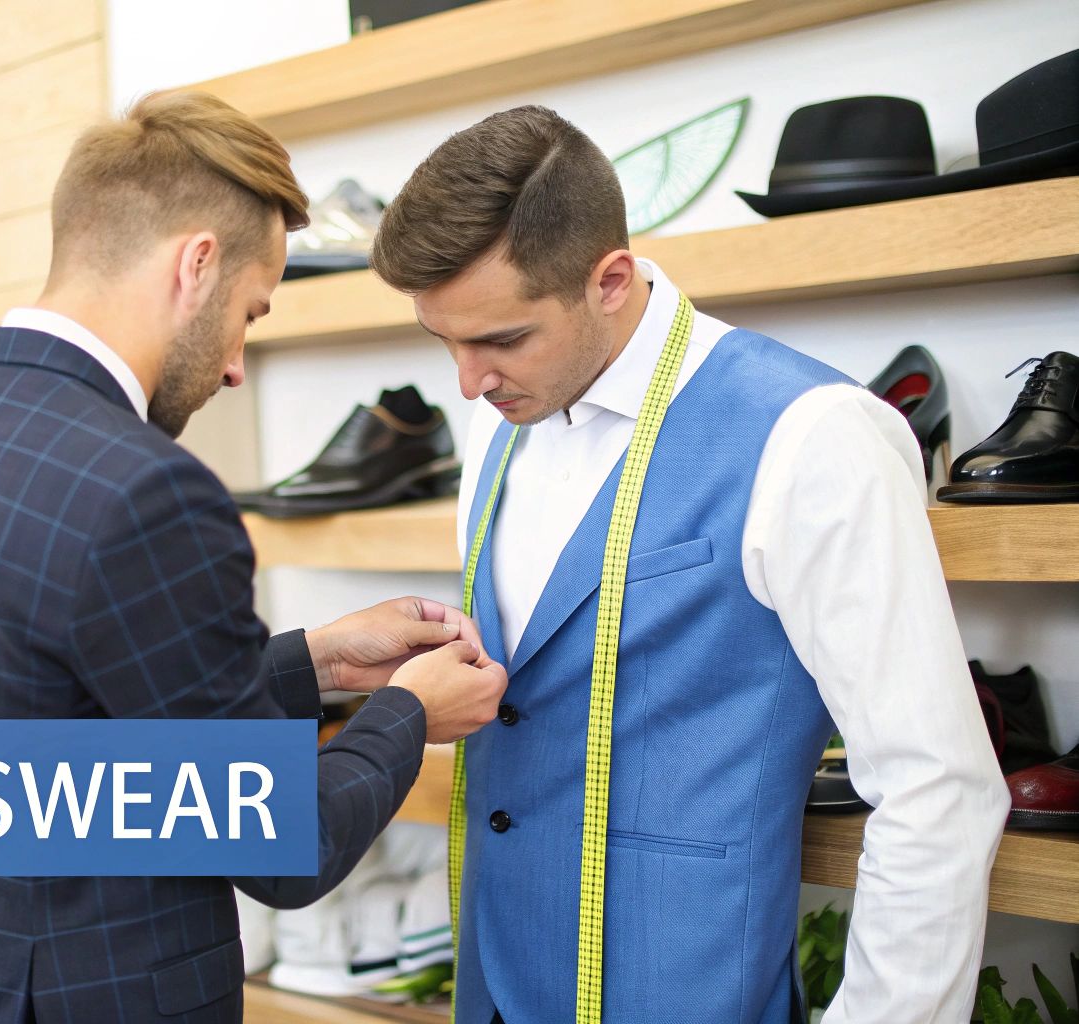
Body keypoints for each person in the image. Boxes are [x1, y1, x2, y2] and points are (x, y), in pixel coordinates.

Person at [0, 89, 510, 1023]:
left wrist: (313, 662)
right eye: (249, 316)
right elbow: (280, 847)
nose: (233, 367)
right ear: (196, 265)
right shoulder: (149, 488)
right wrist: (405, 713)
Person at [367, 105, 1009, 1024]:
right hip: (497, 985)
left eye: (502, 339)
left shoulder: (811, 434)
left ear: (611, 280)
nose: (469, 381)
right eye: (446, 343)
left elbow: (935, 787)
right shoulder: (494, 424)